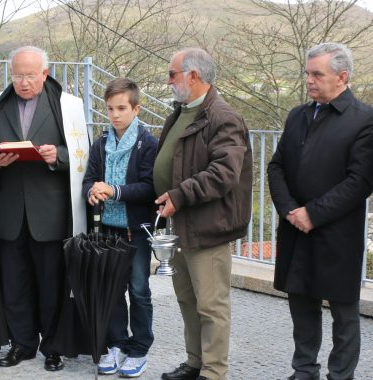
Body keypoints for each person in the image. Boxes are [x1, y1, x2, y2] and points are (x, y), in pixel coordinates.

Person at [0, 45, 89, 372]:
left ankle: (54, 346)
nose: (24, 82)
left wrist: (56, 155)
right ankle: (22, 343)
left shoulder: (66, 106)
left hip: (51, 215)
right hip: (8, 215)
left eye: (30, 75)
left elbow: (81, 153)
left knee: (51, 287)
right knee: (15, 285)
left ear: (44, 74)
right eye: (18, 75)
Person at [268, 42, 373, 380]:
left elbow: (360, 181)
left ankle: (340, 376)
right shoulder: (297, 115)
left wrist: (312, 213)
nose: (309, 80)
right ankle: (304, 371)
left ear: (342, 77)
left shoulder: (365, 119)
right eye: (307, 73)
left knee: (344, 314)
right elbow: (276, 167)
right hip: (295, 228)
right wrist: (289, 210)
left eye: (317, 74)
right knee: (301, 306)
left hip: (337, 233)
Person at [154, 48, 252, 380]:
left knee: (211, 306)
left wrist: (180, 195)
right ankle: (195, 362)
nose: (168, 81)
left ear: (193, 76)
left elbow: (225, 172)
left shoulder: (223, 116)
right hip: (179, 223)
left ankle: (213, 372)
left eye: (172, 74)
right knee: (187, 299)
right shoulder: (182, 111)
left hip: (207, 227)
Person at [82, 78, 157, 378]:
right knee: (111, 290)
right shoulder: (100, 144)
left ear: (136, 109)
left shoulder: (148, 144)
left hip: (135, 229)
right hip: (108, 230)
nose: (114, 114)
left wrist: (113, 191)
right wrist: (91, 192)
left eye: (122, 108)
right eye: (110, 108)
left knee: (138, 290)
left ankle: (139, 348)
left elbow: (149, 188)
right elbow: (89, 178)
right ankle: (117, 343)